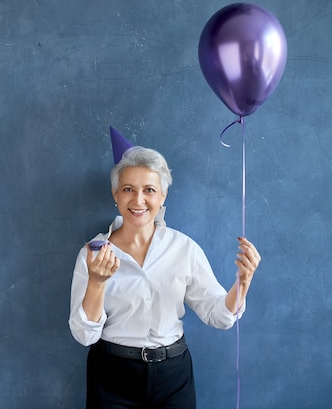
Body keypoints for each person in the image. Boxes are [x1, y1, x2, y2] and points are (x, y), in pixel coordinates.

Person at [69, 145, 261, 409]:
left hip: (174, 376)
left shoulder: (184, 249)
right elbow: (85, 336)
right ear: (116, 194)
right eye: (128, 189)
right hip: (112, 375)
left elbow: (218, 316)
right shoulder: (92, 253)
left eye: (149, 190)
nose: (138, 200)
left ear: (163, 196)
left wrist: (243, 282)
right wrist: (97, 282)